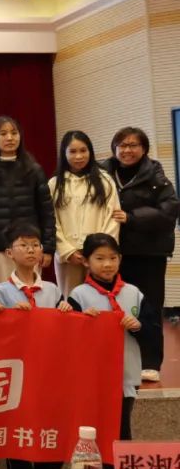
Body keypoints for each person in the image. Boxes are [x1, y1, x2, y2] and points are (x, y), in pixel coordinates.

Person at [0, 222, 72, 469]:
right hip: (17, 377)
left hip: (48, 376)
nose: (31, 250)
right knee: (18, 440)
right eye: (23, 245)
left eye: (35, 245)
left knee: (52, 435)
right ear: (9, 253)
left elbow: (65, 332)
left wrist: (68, 312)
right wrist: (3, 315)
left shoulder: (53, 290)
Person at [68, 233, 153, 469]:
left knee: (121, 431)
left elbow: (153, 332)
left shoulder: (134, 293)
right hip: (91, 380)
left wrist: (138, 326)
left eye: (113, 258)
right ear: (86, 261)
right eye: (100, 258)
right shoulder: (78, 296)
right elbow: (68, 338)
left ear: (120, 259)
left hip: (125, 377)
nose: (107, 264)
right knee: (90, 435)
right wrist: (82, 321)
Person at [101, 126, 179, 384]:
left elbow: (169, 211)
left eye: (133, 145)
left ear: (144, 149)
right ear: (114, 148)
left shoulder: (155, 175)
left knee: (149, 308)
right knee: (112, 307)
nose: (127, 150)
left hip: (148, 253)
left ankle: (150, 363)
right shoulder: (102, 172)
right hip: (112, 254)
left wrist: (132, 218)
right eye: (122, 145)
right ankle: (115, 361)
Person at [0, 116, 56, 284]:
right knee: (0, 296)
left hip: (29, 246)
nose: (10, 138)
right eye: (3, 133)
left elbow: (47, 212)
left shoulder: (34, 170)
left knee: (30, 295)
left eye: (14, 133)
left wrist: (48, 248)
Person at [49, 131, 120, 296]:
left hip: (99, 257)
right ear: (64, 153)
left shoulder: (105, 181)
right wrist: (67, 251)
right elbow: (51, 221)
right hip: (69, 258)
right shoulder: (54, 184)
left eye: (83, 150)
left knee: (100, 299)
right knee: (70, 300)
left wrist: (101, 250)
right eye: (73, 152)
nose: (79, 156)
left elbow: (113, 217)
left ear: (90, 151)